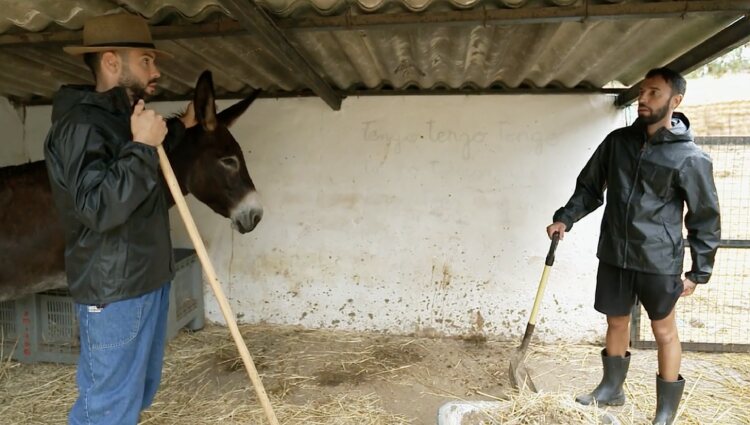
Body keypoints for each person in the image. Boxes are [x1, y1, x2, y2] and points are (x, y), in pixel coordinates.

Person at [43, 13, 196, 424]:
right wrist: (143, 147)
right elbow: (97, 207)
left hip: (145, 281)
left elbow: (139, 154)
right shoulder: (80, 124)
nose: (157, 70)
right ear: (112, 61)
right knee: (107, 409)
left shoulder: (120, 118)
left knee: (135, 397)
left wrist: (180, 128)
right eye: (146, 60)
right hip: (114, 292)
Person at [546, 68, 720, 425]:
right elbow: (590, 188)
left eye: (654, 93)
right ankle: (611, 389)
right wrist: (566, 217)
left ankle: (665, 411)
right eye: (642, 92)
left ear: (675, 101)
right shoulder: (617, 142)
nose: (643, 99)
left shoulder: (691, 158)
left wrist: (698, 272)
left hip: (658, 258)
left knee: (663, 331)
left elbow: (704, 217)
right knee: (616, 321)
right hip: (614, 252)